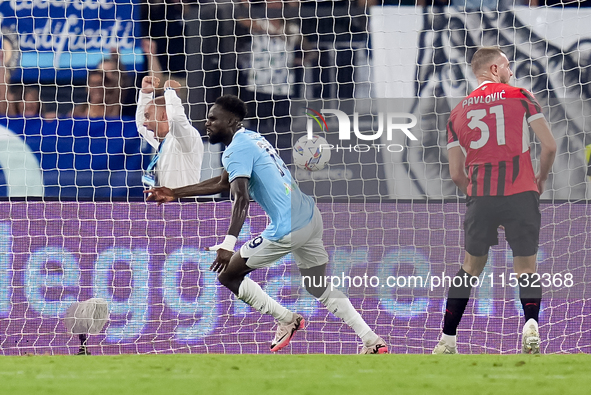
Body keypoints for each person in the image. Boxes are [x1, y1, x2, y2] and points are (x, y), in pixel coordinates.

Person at [145, 95, 387, 354]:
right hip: (310, 217)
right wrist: (174, 192)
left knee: (228, 274)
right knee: (317, 285)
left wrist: (228, 244)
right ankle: (371, 339)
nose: (207, 123)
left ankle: (286, 318)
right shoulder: (251, 138)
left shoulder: (237, 149)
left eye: (213, 118)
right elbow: (224, 183)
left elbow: (240, 198)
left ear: (231, 121)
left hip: (288, 227)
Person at [433, 47, 556, 355]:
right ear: (494, 70)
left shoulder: (457, 112)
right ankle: (530, 325)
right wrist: (539, 178)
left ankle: (447, 341)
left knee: (470, 269)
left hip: (481, 197)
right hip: (522, 193)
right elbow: (550, 146)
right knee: (526, 269)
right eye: (507, 66)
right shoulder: (520, 95)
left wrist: (478, 194)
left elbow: (455, 174)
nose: (511, 71)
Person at [136, 76, 204, 189]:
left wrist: (170, 92)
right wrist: (145, 94)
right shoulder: (163, 143)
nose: (145, 123)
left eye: (148, 117)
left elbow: (176, 119)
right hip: (164, 205)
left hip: (184, 205)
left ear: (164, 115)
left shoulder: (186, 138)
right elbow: (140, 125)